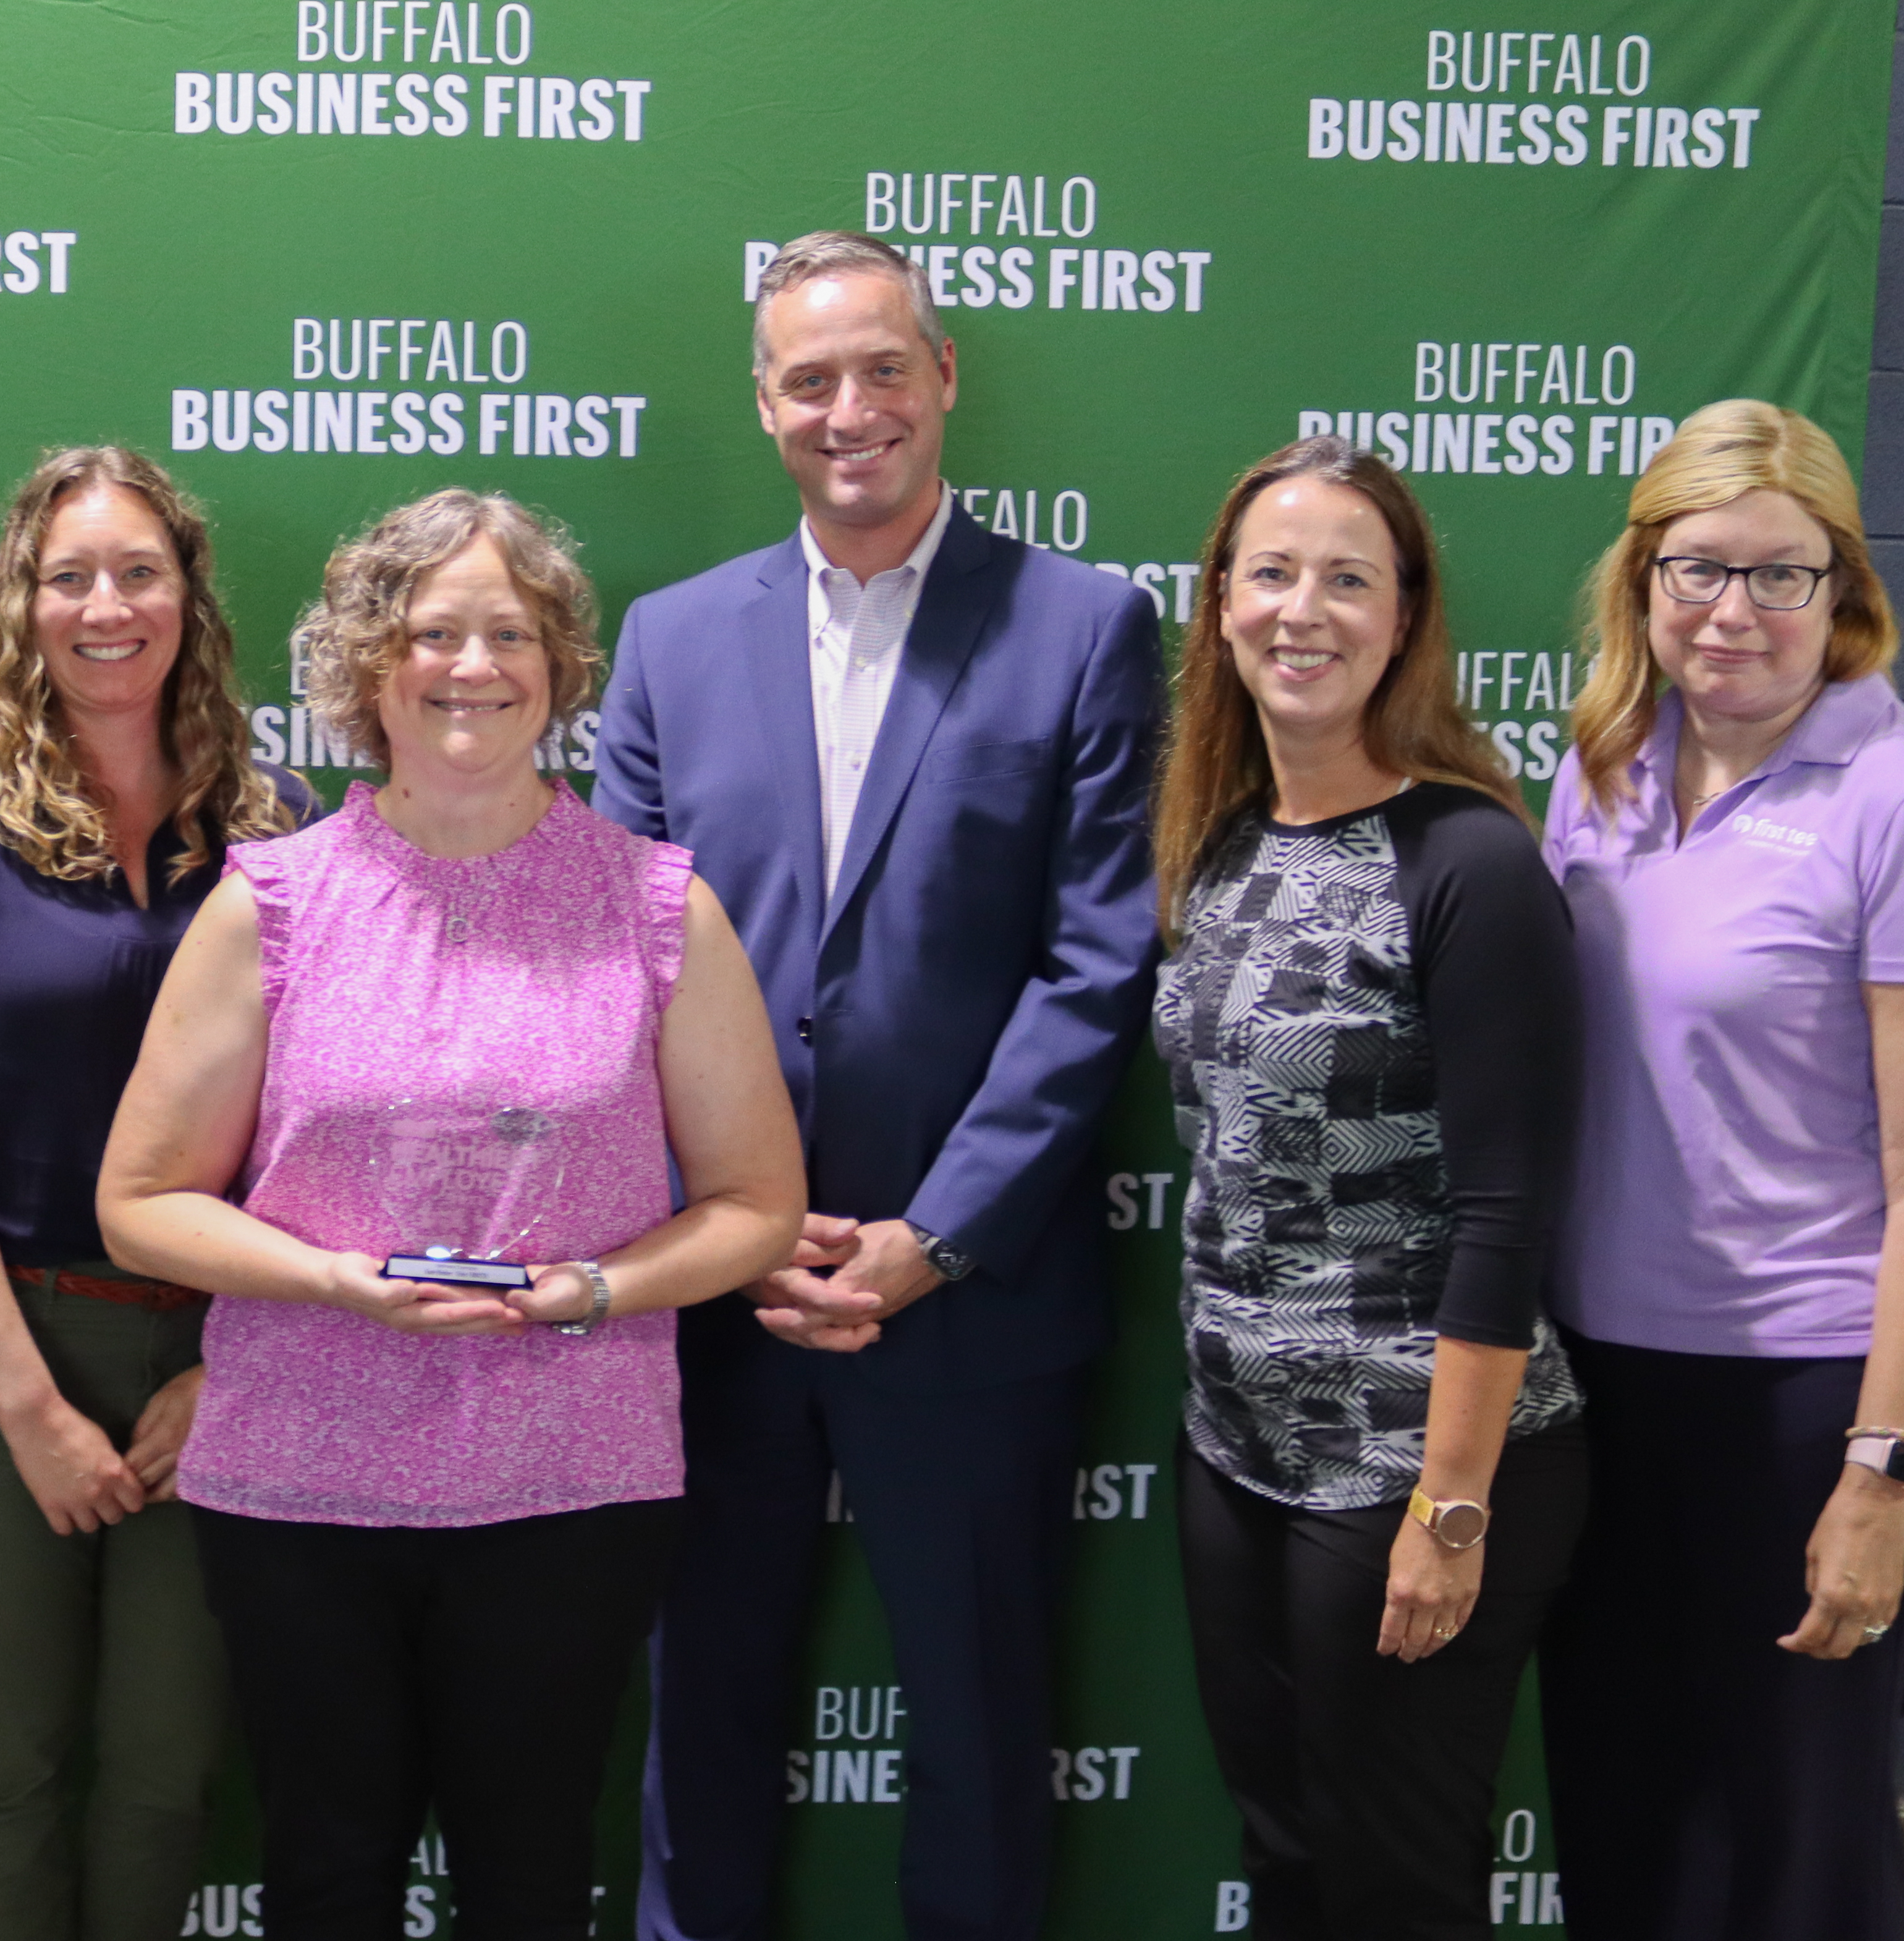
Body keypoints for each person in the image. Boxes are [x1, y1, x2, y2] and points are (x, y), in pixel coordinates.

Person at [98, 488, 803, 1941]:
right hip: (299, 1475)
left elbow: (754, 1204)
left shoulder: (660, 906)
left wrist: (593, 1290)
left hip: (568, 1482)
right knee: (327, 1870)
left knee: (532, 1875)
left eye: (509, 633)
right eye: (433, 633)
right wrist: (334, 1280)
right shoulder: (273, 901)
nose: (472, 664)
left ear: (560, 668)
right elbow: (140, 1201)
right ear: (370, 670)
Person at [590, 229, 1162, 1940]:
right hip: (714, 1296)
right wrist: (734, 1228)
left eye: (883, 369)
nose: (854, 410)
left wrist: (934, 1232)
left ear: (946, 376)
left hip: (972, 1297)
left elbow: (1094, 963)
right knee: (701, 1719)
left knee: (981, 1730)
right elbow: (621, 967)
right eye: (811, 379)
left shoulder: (1082, 625)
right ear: (766, 405)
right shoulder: (672, 640)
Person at [0, 446, 310, 1941]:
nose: (105, 606)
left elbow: (320, 1131)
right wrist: (31, 1408)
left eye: (139, 573)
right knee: (6, 1757)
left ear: (191, 600)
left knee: (169, 1766)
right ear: (19, 604)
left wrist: (223, 1365)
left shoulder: (284, 819)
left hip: (214, 1353)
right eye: (69, 577)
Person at [1151, 438, 1589, 1939]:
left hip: (1415, 1463)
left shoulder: (1468, 860)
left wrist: (1449, 1507)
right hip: (1238, 1448)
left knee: (1397, 1885)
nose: (1303, 610)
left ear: (1404, 618)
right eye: (1271, 573)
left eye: (1350, 578)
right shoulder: (1216, 841)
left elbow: (1505, 1214)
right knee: (1288, 1857)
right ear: (1218, 605)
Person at [1538, 399, 1904, 1940]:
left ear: (1843, 594)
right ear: (1641, 581)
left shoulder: (1885, 788)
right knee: (1621, 1816)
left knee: (1793, 1851)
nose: (1733, 612)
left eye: (1781, 575)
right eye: (1696, 570)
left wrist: (1879, 1468)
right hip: (1595, 1390)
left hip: (1802, 1396)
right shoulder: (1600, 767)